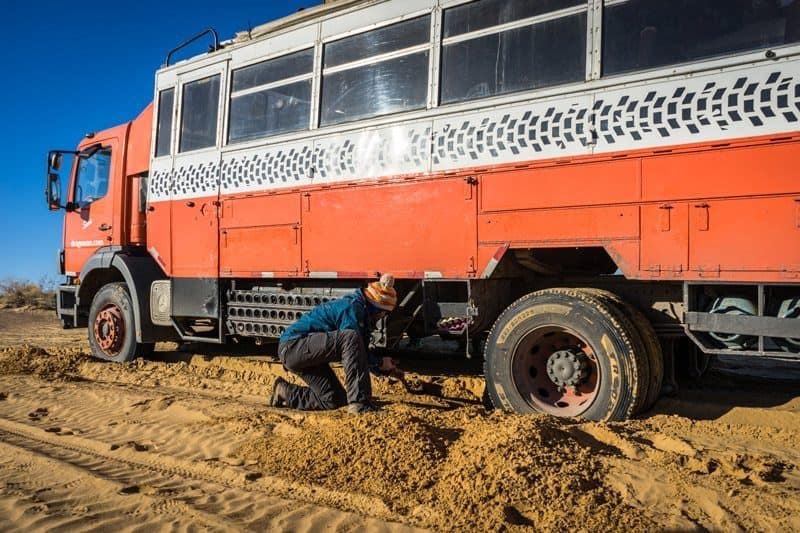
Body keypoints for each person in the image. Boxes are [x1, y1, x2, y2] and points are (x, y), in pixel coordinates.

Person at [269, 274, 398, 414]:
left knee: (334, 399)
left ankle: (285, 392)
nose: (383, 317)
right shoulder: (352, 308)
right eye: (385, 313)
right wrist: (379, 362)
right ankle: (360, 403)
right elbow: (353, 347)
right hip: (293, 346)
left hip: (303, 352)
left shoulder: (360, 310)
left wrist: (381, 366)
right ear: (378, 308)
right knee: (350, 336)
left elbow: (359, 353)